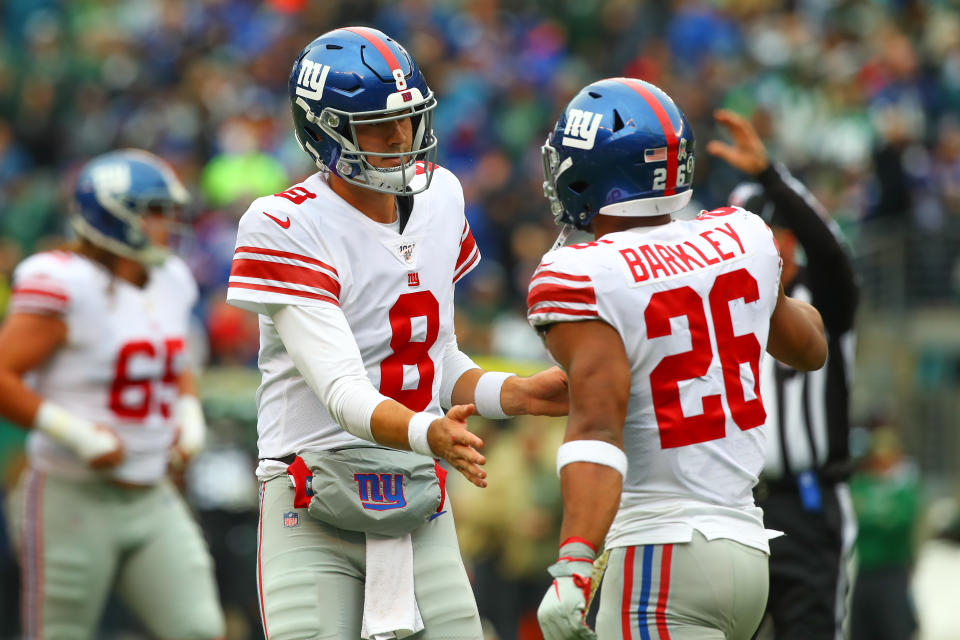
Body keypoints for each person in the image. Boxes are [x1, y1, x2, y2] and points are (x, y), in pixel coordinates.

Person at [225, 27, 568, 640]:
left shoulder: (442, 196)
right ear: (322, 130)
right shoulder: (283, 224)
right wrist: (428, 431)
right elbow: (342, 391)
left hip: (412, 490)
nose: (400, 138)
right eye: (375, 126)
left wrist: (512, 395)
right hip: (313, 493)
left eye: (408, 119)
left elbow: (434, 358)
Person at [528, 77, 828, 640]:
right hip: (746, 548)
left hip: (661, 553)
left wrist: (572, 564)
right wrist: (769, 290)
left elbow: (597, 428)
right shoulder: (741, 236)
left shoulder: (582, 272)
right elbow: (809, 347)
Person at [0, 149, 225, 639]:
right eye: (155, 211)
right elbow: (3, 376)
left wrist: (188, 415)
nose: (169, 222)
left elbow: (176, 360)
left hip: (152, 491)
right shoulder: (63, 281)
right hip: (71, 494)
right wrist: (76, 434)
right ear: (113, 214)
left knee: (199, 629)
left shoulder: (171, 278)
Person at [708, 109, 859, 640]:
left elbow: (832, 252)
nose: (772, 247)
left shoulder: (827, 304)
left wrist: (772, 175)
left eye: (779, 234)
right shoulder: (721, 313)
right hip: (735, 501)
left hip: (810, 503)